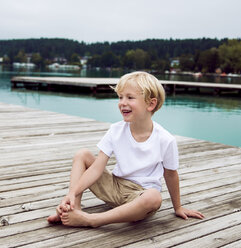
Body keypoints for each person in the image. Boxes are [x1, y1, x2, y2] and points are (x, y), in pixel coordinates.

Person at [47, 71, 204, 227]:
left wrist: (178, 207)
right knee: (82, 154)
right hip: (114, 186)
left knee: (154, 197)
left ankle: (91, 220)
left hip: (139, 196)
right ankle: (73, 209)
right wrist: (72, 194)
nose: (122, 102)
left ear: (151, 104)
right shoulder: (116, 130)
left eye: (130, 97)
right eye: (120, 97)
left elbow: (170, 174)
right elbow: (96, 168)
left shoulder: (165, 139)